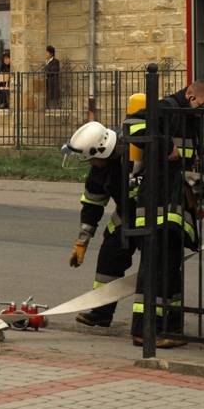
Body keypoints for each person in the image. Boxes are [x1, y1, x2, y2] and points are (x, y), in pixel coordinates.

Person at [124, 77, 204, 348]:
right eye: (202, 106)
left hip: (174, 206)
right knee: (155, 268)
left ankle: (170, 327)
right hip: (157, 202)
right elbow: (131, 124)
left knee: (171, 269)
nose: (203, 113)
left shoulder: (189, 118)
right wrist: (165, 146)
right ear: (190, 95)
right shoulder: (167, 107)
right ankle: (145, 331)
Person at [62, 121, 137, 330]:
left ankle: (160, 318)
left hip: (154, 215)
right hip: (127, 215)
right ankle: (102, 312)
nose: (90, 163)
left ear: (102, 151)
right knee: (109, 257)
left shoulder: (134, 156)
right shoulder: (100, 169)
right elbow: (92, 204)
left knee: (156, 266)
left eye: (91, 158)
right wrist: (82, 242)